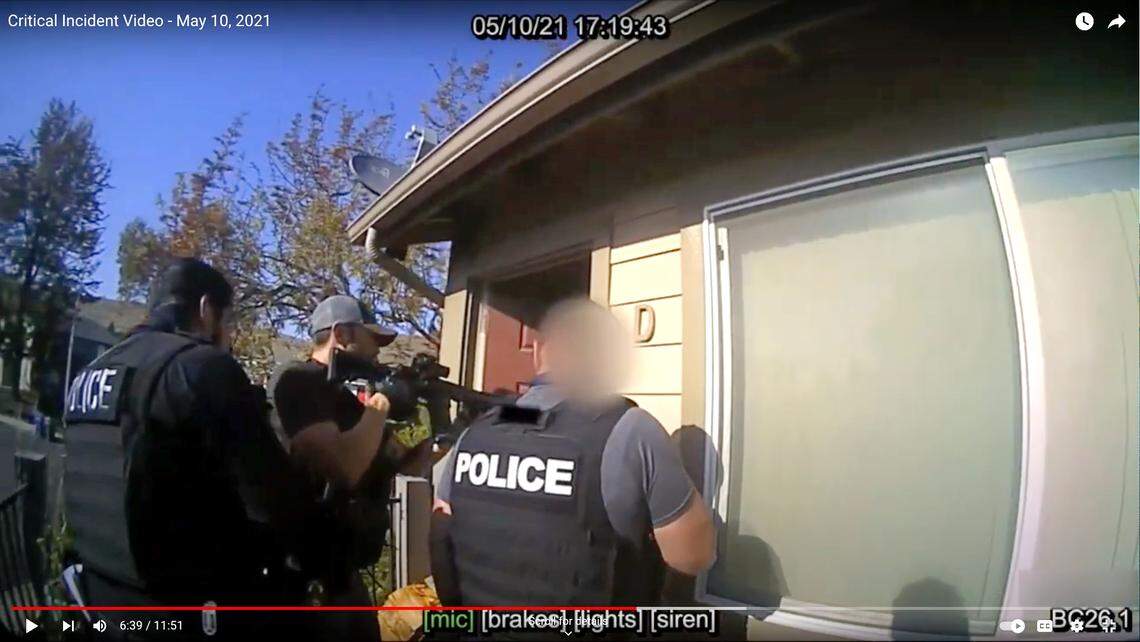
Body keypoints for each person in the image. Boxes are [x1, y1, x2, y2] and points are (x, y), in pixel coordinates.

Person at [63, 258, 333, 640]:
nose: (229, 335)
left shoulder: (90, 373)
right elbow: (278, 501)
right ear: (207, 310)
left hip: (102, 607)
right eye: (228, 321)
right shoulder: (200, 367)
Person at [430, 298, 717, 609]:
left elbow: (440, 535)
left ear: (539, 350)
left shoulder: (480, 428)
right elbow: (694, 557)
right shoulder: (631, 429)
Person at [268, 294, 406, 642]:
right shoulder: (296, 381)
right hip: (307, 579)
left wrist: (445, 434)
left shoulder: (342, 398)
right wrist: (382, 402)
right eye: (372, 340)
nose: (377, 352)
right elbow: (344, 467)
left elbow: (401, 462)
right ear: (341, 334)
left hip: (345, 571)